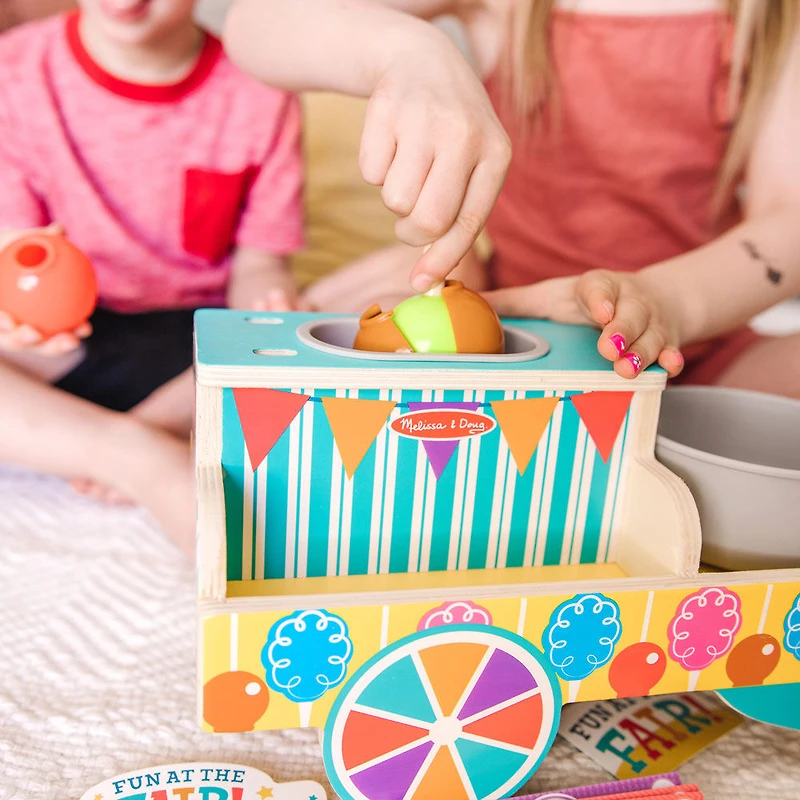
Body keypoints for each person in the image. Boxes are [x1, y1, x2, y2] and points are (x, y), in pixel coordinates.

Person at [0, 0, 510, 555]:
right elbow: (17, 254)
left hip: (202, 345)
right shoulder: (16, 71)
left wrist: (262, 308)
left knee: (448, 268)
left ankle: (171, 413)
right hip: (74, 343)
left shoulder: (260, 85)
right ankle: (133, 451)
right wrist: (18, 319)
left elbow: (259, 263)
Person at [320, 0, 800, 398]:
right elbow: (260, 23)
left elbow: (788, 214)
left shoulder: (775, 18)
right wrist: (405, 49)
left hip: (705, 351)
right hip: (523, 346)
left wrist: (669, 302)